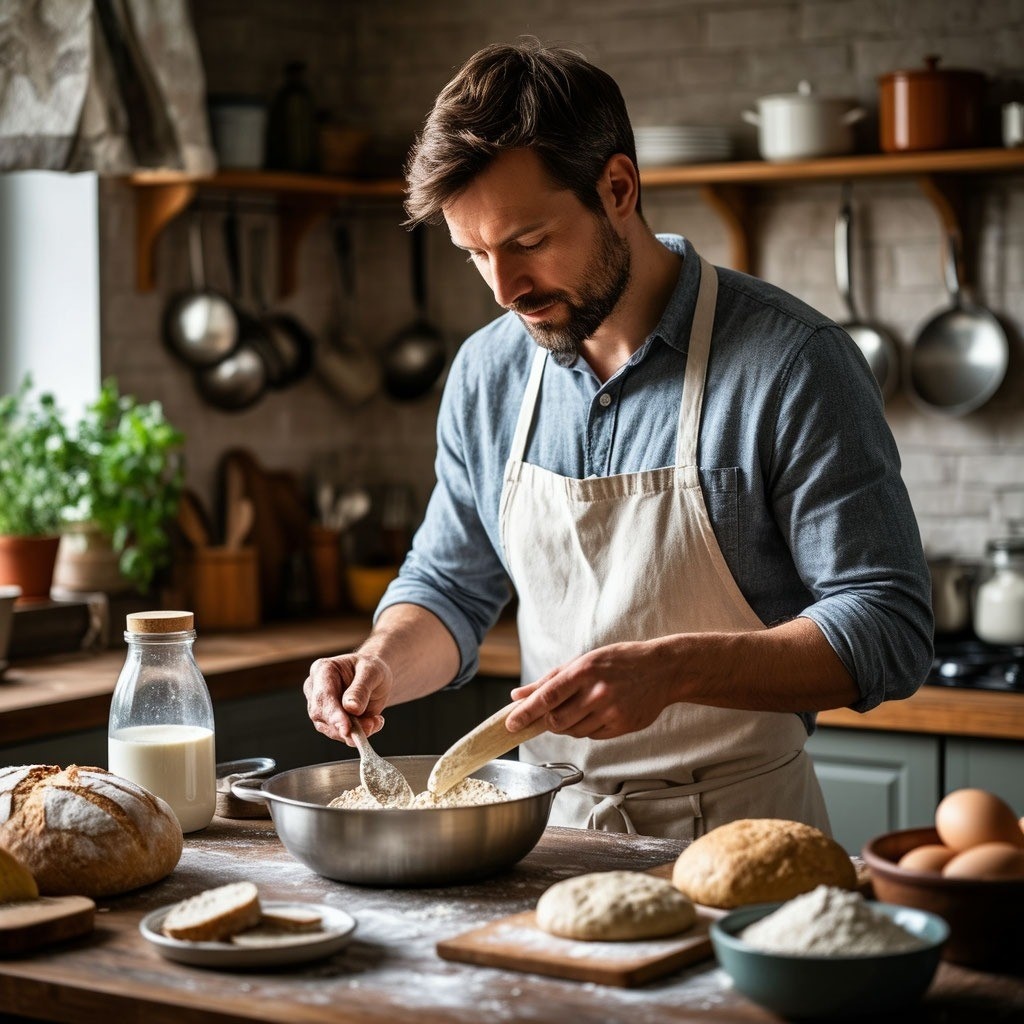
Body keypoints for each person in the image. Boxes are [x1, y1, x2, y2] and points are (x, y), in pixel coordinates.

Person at [305, 39, 933, 840]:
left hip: (742, 836)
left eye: (528, 241)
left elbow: (890, 627)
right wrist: (382, 662)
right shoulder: (487, 373)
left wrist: (674, 671)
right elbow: (452, 589)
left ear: (618, 187)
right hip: (548, 837)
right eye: (475, 256)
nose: (506, 291)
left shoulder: (793, 363)